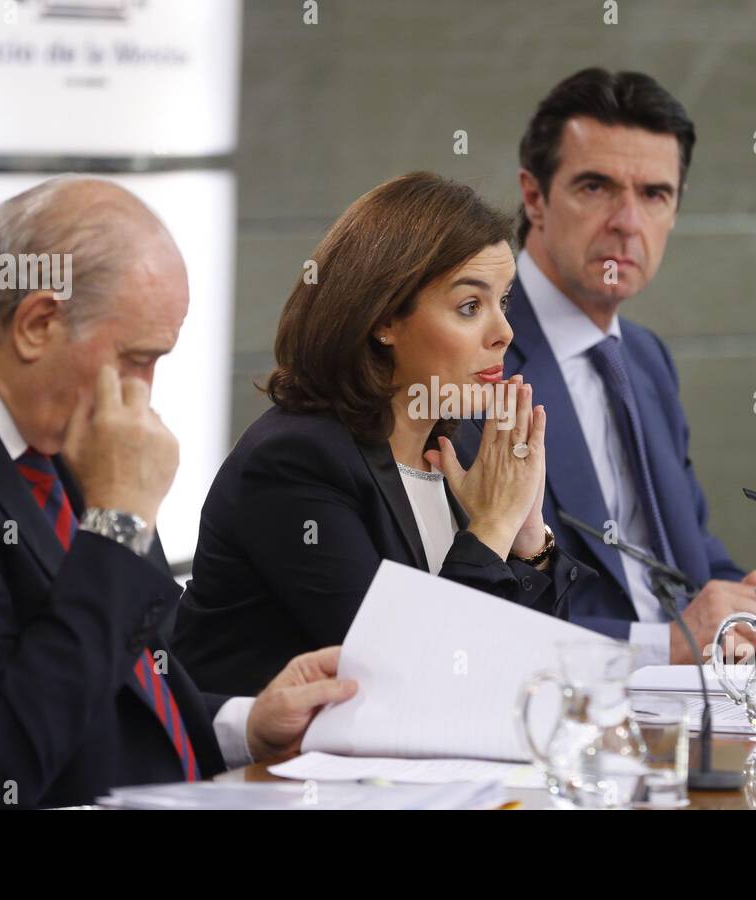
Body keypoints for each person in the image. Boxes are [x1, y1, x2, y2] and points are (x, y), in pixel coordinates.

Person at [0, 177, 356, 809]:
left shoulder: (45, 415)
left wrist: (245, 724)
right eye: (137, 357)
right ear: (38, 323)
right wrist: (120, 524)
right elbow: (3, 756)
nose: (144, 391)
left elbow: (114, 677)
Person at [173, 172, 595, 696]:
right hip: (264, 772)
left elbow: (535, 679)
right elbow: (402, 678)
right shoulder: (296, 461)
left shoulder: (455, 450)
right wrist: (490, 528)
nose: (503, 332)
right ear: (384, 320)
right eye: (470, 306)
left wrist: (528, 541)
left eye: (503, 301)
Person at [452, 69, 756, 666]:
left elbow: (684, 561)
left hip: (692, 709)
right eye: (596, 188)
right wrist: (662, 646)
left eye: (654, 194)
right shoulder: (473, 354)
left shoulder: (644, 359)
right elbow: (475, 613)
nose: (627, 221)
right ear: (535, 197)